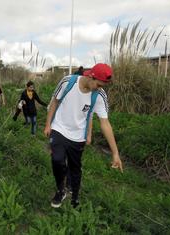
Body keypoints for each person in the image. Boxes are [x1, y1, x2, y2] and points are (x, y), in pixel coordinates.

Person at [43, 63, 123, 208]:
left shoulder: (99, 95)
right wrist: (48, 124)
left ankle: (75, 196)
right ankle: (61, 190)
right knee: (57, 160)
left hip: (78, 135)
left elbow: (105, 123)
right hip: (59, 128)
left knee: (75, 168)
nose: (100, 88)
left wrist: (115, 153)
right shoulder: (68, 81)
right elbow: (54, 102)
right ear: (91, 76)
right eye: (98, 84)